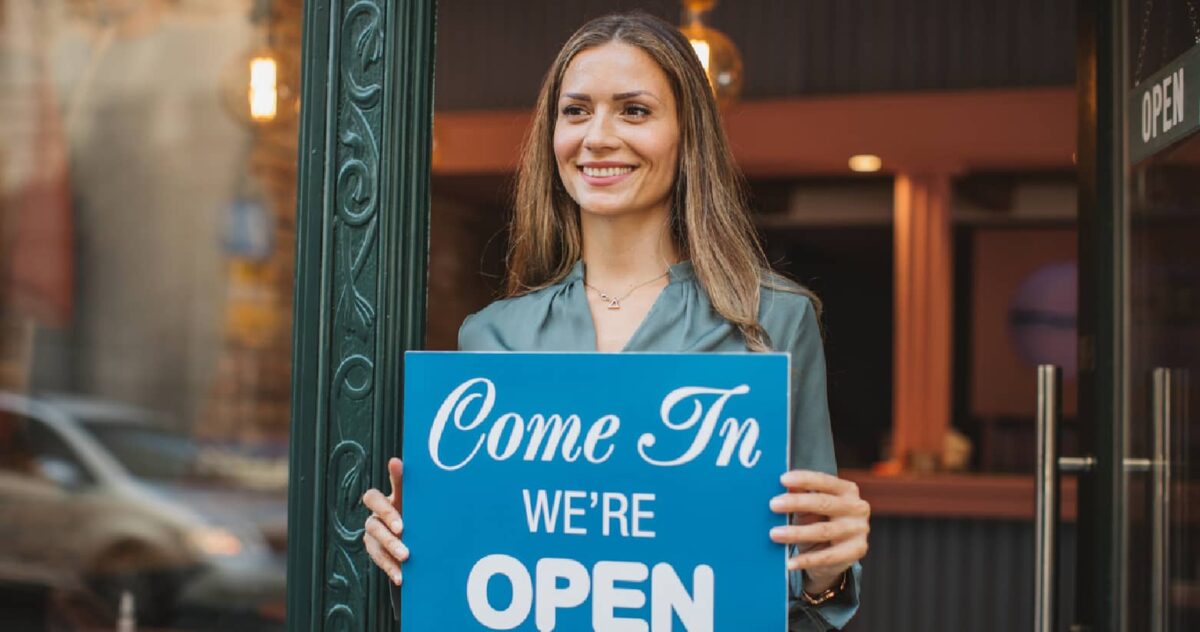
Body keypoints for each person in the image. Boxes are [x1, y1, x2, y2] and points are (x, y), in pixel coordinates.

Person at [361, 11, 870, 631]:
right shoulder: (492, 336)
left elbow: (796, 590)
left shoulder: (774, 321)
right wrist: (414, 553)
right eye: (576, 111)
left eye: (634, 111)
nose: (598, 136)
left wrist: (827, 572)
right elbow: (468, 593)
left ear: (688, 136)